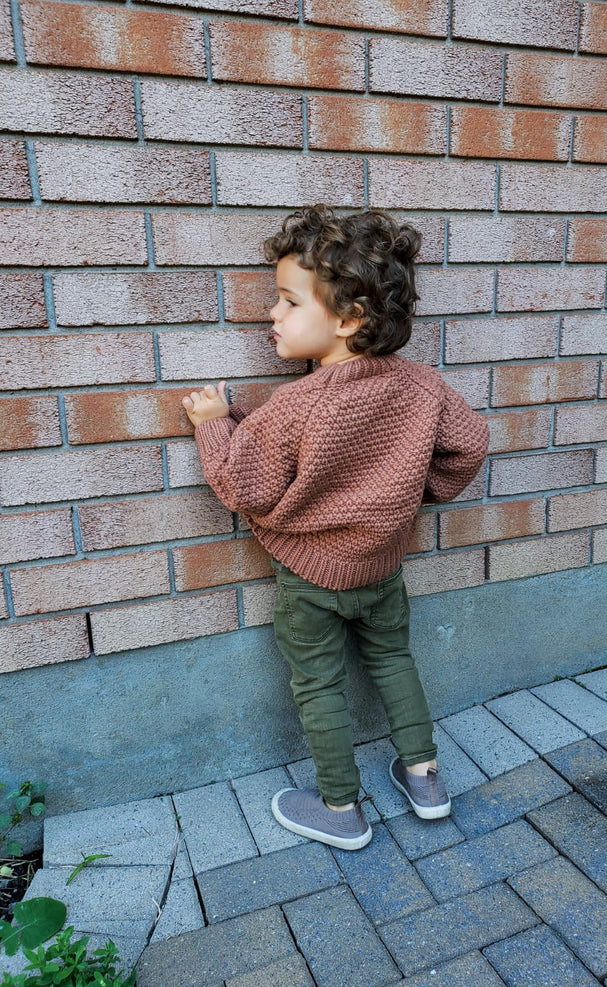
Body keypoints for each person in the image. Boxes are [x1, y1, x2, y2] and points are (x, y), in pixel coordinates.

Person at [182, 205, 489, 850]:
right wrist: (411, 494)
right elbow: (468, 446)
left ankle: (340, 809)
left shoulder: (292, 405)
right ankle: (426, 779)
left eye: (288, 302)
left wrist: (214, 422)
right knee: (394, 660)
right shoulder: (424, 386)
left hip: (309, 580)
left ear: (348, 320)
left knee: (319, 684)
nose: (272, 314)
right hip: (383, 568)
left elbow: (243, 486)